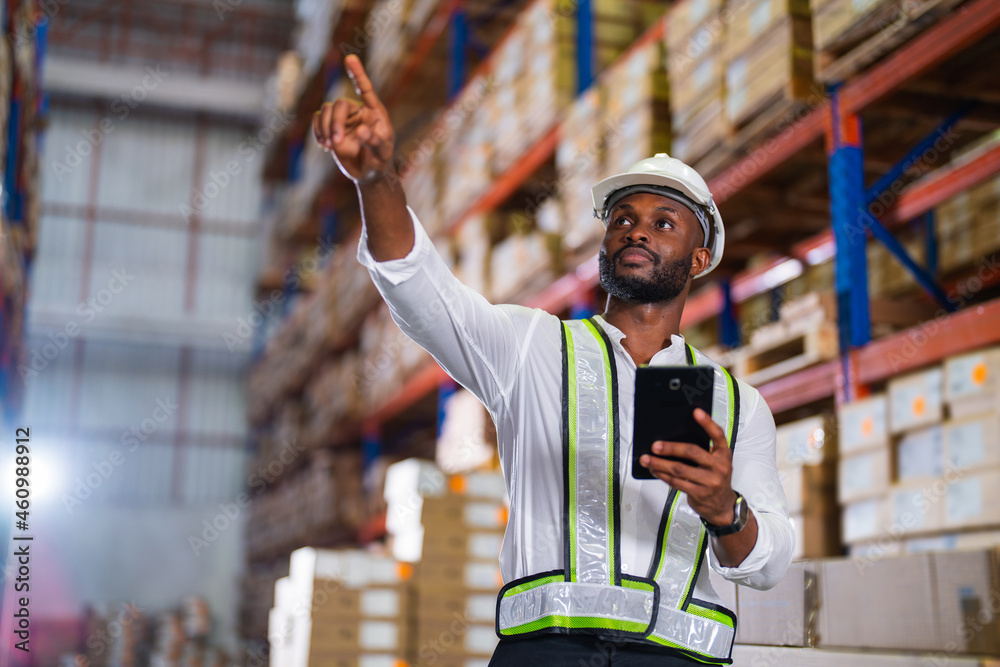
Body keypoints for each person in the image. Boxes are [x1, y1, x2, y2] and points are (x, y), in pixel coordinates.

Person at [313, 55, 793, 666]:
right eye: (623, 219)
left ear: (699, 260)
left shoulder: (738, 405)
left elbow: (771, 561)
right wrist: (377, 178)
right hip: (545, 655)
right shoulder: (530, 348)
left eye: (663, 223)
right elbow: (419, 291)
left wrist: (725, 509)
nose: (636, 232)